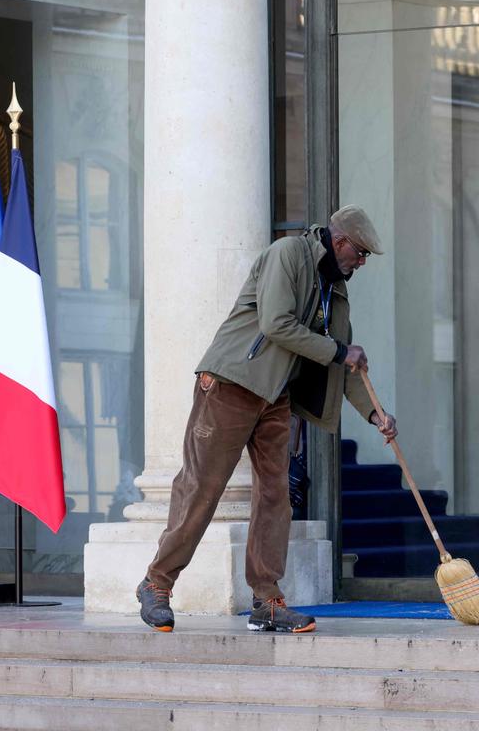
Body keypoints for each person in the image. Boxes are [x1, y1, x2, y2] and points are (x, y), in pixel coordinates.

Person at [136, 206, 396, 633]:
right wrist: (338, 351)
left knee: (276, 497)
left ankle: (267, 601)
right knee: (202, 489)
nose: (363, 263)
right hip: (231, 383)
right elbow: (277, 324)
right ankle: (156, 584)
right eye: (362, 253)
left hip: (276, 397)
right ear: (341, 241)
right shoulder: (288, 254)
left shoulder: (336, 290)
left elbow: (340, 364)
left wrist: (375, 414)